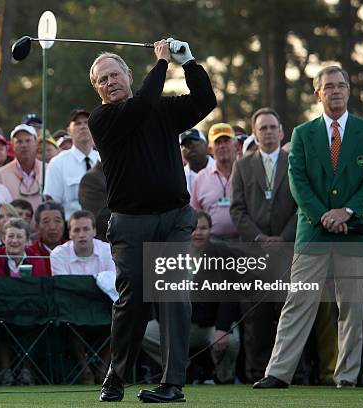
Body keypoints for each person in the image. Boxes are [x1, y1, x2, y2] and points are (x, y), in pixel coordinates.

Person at [88, 38, 216, 402]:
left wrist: (188, 61)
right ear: (97, 90)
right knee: (134, 302)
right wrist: (161, 63)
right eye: (102, 79)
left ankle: (172, 383)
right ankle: (117, 375)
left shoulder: (162, 108)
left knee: (173, 292)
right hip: (131, 224)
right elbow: (141, 105)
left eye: (115, 74)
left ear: (129, 74)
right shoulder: (103, 118)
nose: (110, 82)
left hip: (175, 218)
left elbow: (206, 101)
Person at [254, 66, 363, 389]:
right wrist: (323, 215)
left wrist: (347, 212)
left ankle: (346, 376)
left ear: (348, 92)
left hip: (354, 232)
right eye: (329, 87)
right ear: (318, 93)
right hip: (313, 231)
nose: (336, 91)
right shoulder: (302, 134)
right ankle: (278, 373)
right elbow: (296, 181)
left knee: (351, 308)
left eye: (342, 85)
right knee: (298, 302)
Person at [229, 107, 297, 382]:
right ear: (255, 135)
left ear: (281, 132)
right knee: (256, 319)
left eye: (272, 127)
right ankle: (255, 373)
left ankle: (294, 373)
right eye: (263, 129)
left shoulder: (295, 162)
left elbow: (301, 206)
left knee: (289, 316)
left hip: (288, 251)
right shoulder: (242, 166)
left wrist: (284, 237)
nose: (268, 133)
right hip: (254, 252)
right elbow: (237, 210)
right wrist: (259, 238)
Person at [142, 211, 240, 384]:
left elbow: (230, 294)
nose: (198, 233)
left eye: (203, 228)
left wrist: (222, 329)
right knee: (144, 332)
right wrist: (165, 323)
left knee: (231, 341)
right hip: (179, 325)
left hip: (210, 325)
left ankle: (223, 378)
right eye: (193, 228)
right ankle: (183, 368)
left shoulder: (223, 254)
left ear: (211, 230)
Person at [0, 217, 49, 385]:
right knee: (3, 322)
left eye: (19, 237)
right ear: (3, 238)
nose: (14, 241)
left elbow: (41, 288)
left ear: (27, 240)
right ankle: (5, 370)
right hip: (0, 309)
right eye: (10, 236)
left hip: (31, 309)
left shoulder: (37, 258)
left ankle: (27, 370)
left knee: (33, 321)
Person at [50, 210, 114, 383]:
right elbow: (63, 289)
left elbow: (116, 285)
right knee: (70, 321)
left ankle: (104, 369)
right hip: (73, 310)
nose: (81, 235)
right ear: (69, 233)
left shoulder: (108, 251)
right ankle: (85, 370)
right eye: (76, 230)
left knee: (122, 319)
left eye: (86, 229)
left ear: (94, 231)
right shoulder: (58, 254)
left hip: (104, 308)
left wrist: (83, 287)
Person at [44, 108, 100, 220]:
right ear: (69, 131)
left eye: (86, 122)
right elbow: (52, 204)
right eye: (78, 123)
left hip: (104, 228)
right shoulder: (57, 163)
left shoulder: (103, 159)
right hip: (71, 228)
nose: (83, 126)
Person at [190, 123, 238, 242]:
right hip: (212, 242)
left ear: (236, 145)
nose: (222, 146)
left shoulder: (247, 173)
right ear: (210, 149)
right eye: (218, 142)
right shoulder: (201, 177)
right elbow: (195, 214)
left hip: (243, 241)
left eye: (226, 141)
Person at [0, 124, 45, 211]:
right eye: (19, 142)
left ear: (36, 143)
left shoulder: (48, 170)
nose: (24, 145)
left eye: (28, 141)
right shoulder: (0, 174)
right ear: (13, 145)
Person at [27, 201, 66, 274]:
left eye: (57, 221)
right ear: (37, 226)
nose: (52, 227)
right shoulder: (30, 253)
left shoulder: (72, 250)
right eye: (46, 222)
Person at [78, 161, 109, 242]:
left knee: (147, 253)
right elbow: (99, 218)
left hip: (144, 238)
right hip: (111, 245)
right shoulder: (92, 178)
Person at [179, 128, 214, 197]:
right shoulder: (180, 176)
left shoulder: (221, 169)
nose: (189, 149)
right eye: (185, 146)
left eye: (194, 144)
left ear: (205, 145)